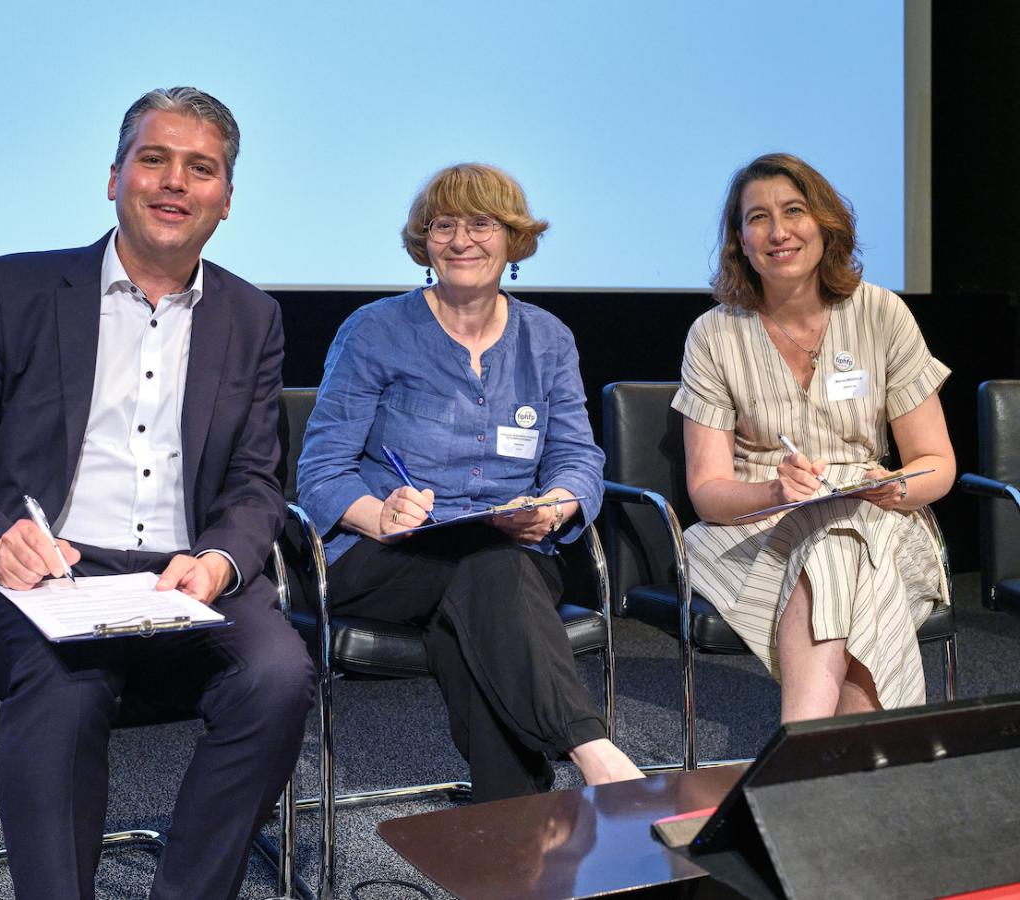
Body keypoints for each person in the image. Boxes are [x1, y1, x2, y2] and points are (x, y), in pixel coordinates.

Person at [0, 87, 314, 900]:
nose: (174, 183)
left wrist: (221, 560)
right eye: (154, 159)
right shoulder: (13, 290)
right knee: (68, 678)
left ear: (226, 200)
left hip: (179, 578)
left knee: (278, 673)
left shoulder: (252, 316)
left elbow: (258, 480)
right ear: (115, 176)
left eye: (201, 168)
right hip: (46, 573)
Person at [296, 163, 643, 803]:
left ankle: (510, 825)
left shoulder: (548, 339)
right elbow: (320, 472)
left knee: (479, 600)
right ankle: (593, 751)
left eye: (481, 223)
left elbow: (577, 457)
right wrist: (378, 514)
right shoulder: (375, 331)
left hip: (509, 559)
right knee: (490, 571)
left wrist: (555, 505)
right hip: (389, 559)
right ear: (423, 242)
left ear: (513, 238)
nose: (462, 240)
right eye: (443, 225)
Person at [674, 152, 955, 722]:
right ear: (740, 241)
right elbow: (708, 490)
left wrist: (895, 487)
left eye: (793, 211)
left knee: (839, 541)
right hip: (753, 529)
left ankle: (800, 747)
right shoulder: (713, 334)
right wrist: (776, 495)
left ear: (825, 224)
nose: (778, 232)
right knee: (835, 551)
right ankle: (846, 769)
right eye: (757, 218)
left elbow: (936, 462)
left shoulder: (882, 313)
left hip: (881, 519)